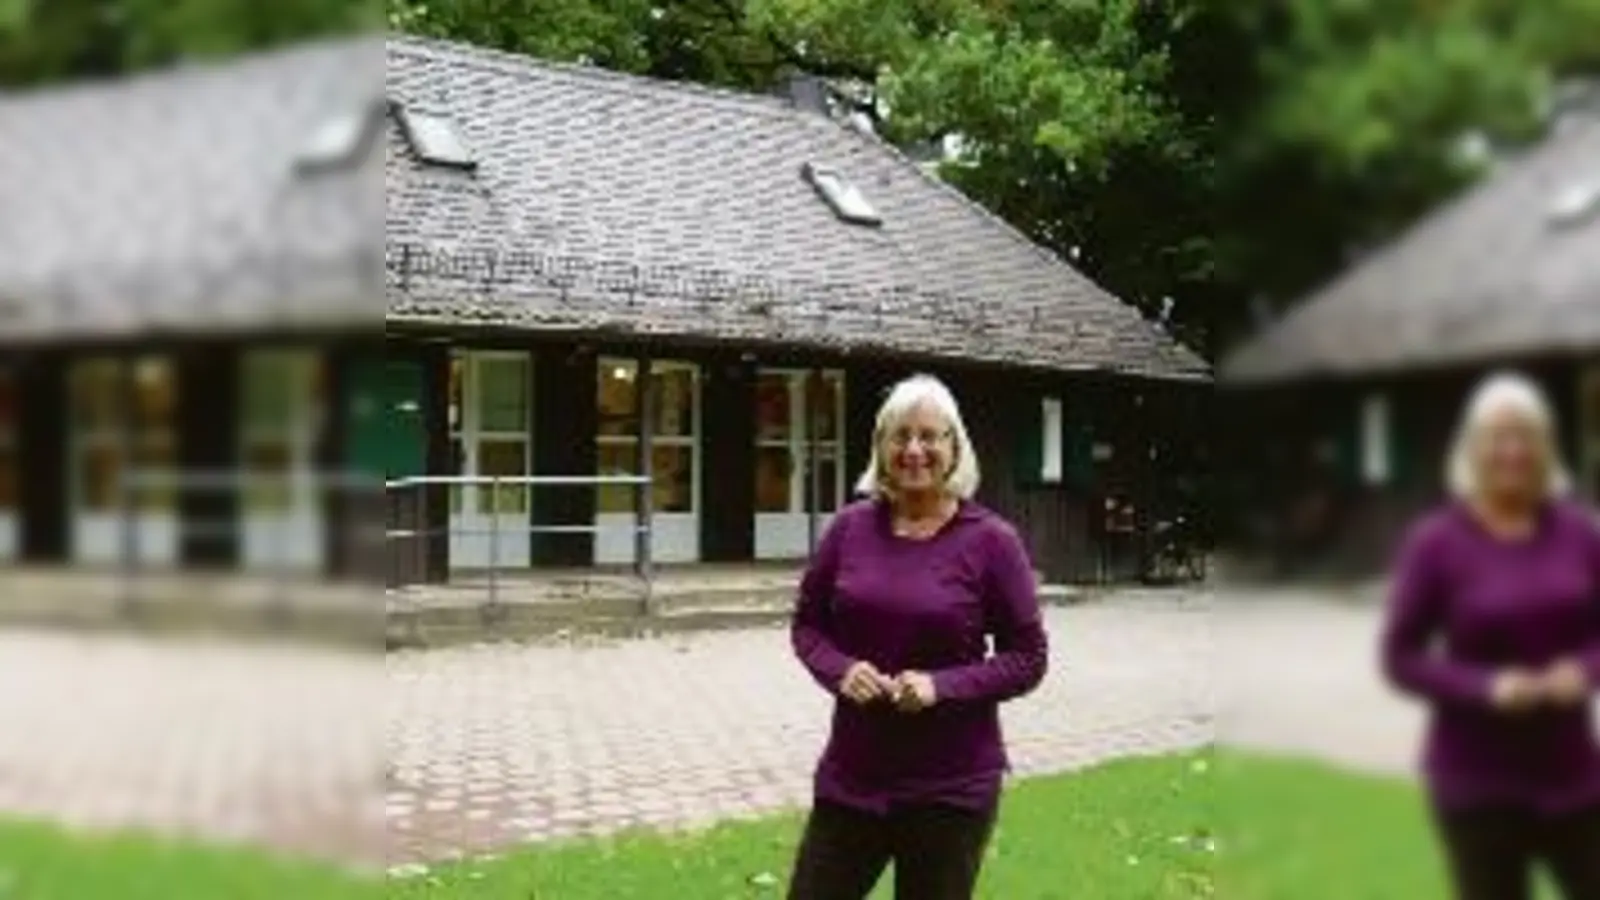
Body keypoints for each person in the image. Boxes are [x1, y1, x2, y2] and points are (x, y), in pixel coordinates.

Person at [784, 373, 1049, 900]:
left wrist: (941, 687)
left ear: (955, 447)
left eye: (930, 436)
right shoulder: (848, 529)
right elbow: (808, 626)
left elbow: (1028, 658)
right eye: (900, 436)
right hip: (853, 776)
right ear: (880, 446)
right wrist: (841, 670)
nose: (914, 450)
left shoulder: (992, 542)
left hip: (950, 788)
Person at [1380, 371, 1600, 900]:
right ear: (1472, 449)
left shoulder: (1579, 532)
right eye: (1497, 437)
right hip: (1476, 784)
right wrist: (1486, 686)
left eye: (1525, 436)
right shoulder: (1436, 543)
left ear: (1545, 447)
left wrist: (1586, 670)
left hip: (1573, 775)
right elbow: (1400, 656)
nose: (1512, 451)